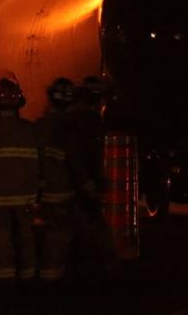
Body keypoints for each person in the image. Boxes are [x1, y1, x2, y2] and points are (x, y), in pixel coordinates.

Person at [0, 75, 40, 284]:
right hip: (24, 197)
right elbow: (38, 165)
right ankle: (29, 278)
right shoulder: (30, 130)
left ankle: (6, 281)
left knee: (1, 238)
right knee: (26, 237)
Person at [69, 74, 116, 273]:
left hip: (80, 180)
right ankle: (98, 265)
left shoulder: (78, 116)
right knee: (91, 225)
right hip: (84, 181)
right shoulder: (88, 119)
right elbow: (81, 152)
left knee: (86, 223)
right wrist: (89, 180)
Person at [36, 77, 80, 283]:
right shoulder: (66, 126)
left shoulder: (41, 125)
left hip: (46, 189)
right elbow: (71, 158)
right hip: (61, 189)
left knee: (54, 231)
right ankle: (50, 274)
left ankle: (49, 272)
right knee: (60, 233)